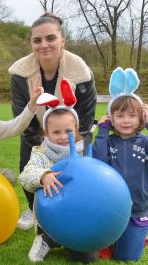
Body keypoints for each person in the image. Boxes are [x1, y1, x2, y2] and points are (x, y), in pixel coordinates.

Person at [9, 13, 97, 230]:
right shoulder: (19, 73)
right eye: (37, 40)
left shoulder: (81, 72)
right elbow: (22, 116)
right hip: (37, 131)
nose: (44, 45)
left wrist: (72, 144)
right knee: (29, 164)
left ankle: (76, 207)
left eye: (50, 38)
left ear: (62, 41)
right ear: (31, 43)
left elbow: (85, 118)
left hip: (72, 132)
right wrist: (42, 145)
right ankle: (34, 209)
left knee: (75, 170)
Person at [93, 67, 148, 262]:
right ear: (110, 117)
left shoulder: (147, 144)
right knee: (100, 251)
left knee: (127, 257)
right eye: (120, 116)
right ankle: (112, 239)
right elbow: (97, 161)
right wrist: (103, 132)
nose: (125, 121)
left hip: (137, 210)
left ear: (140, 117)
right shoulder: (108, 141)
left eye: (132, 115)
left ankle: (137, 239)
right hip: (109, 208)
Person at [19, 78, 98, 263]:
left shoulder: (85, 150)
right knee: (52, 231)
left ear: (77, 129)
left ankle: (75, 241)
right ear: (46, 132)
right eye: (56, 132)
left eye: (68, 131)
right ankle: (46, 239)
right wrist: (43, 175)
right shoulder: (41, 153)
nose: (63, 137)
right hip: (51, 216)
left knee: (86, 258)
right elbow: (25, 175)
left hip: (79, 214)